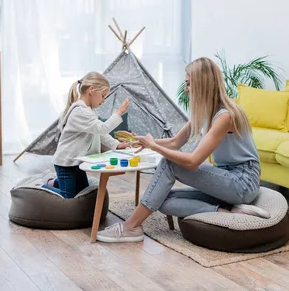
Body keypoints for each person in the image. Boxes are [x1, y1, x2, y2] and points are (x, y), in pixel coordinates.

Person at [97, 57, 269, 243]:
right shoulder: (205, 112)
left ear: (202, 84)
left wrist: (154, 146)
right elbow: (175, 142)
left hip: (242, 182)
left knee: (169, 164)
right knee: (162, 199)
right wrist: (143, 142)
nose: (186, 89)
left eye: (188, 84)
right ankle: (227, 212)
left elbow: (193, 161)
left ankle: (131, 227)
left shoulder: (225, 116)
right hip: (227, 180)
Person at [45, 71, 130, 198]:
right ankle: (42, 188)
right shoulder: (80, 112)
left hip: (77, 162)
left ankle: (54, 182)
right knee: (68, 196)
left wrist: (117, 145)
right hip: (66, 163)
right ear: (91, 90)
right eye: (103, 96)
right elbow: (102, 128)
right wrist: (118, 113)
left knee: (84, 192)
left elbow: (99, 134)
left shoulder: (89, 111)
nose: (103, 101)